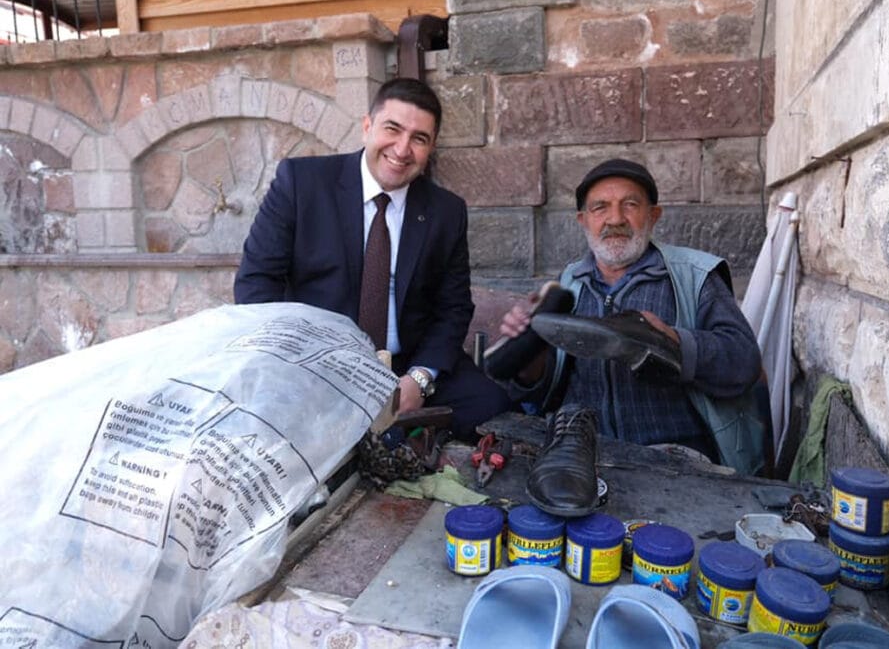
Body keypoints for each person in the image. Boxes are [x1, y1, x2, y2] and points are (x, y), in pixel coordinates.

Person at [235, 77, 511, 440]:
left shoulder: (446, 211)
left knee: (493, 410)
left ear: (431, 147)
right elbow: (256, 283)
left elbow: (454, 307)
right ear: (367, 127)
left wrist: (420, 379)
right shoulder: (302, 183)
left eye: (419, 139)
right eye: (392, 129)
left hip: (407, 364)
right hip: (318, 364)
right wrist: (293, 364)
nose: (402, 149)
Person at [495, 158, 766, 475]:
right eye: (600, 208)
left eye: (630, 205)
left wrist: (674, 342)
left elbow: (744, 363)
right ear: (583, 220)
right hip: (585, 454)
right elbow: (545, 395)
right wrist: (530, 358)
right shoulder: (568, 284)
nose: (615, 219)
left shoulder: (695, 276)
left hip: (677, 458)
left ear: (653, 215)